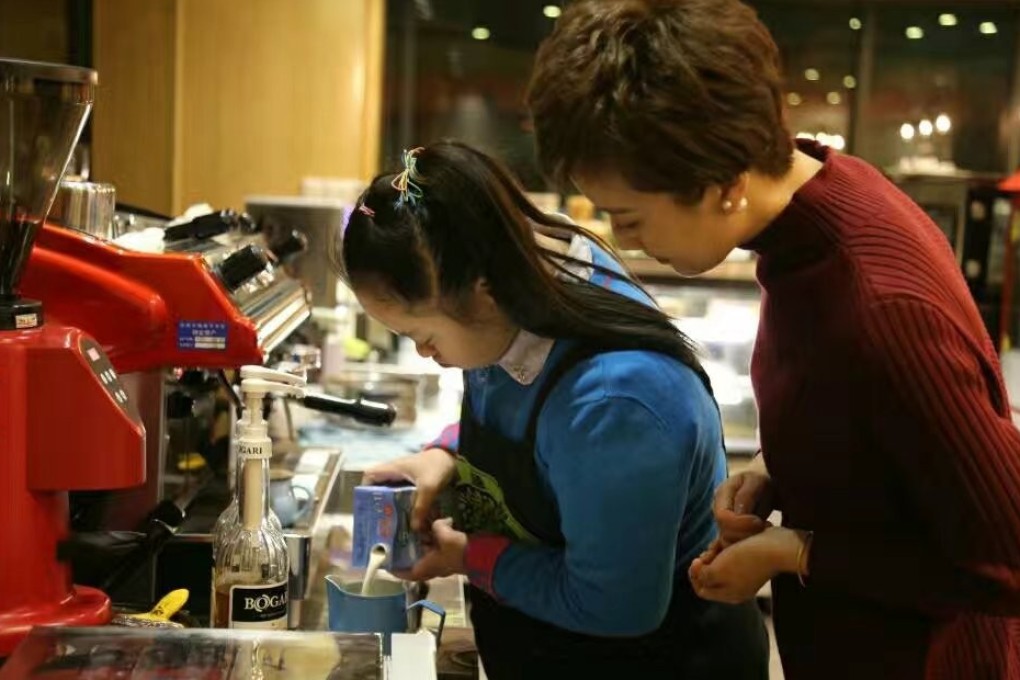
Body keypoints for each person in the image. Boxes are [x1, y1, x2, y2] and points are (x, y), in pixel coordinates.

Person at [526, 0, 1020, 678]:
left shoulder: (879, 306)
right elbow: (874, 428)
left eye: (631, 218)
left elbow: (1006, 561)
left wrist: (798, 550)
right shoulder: (814, 201)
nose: (625, 240)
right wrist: (772, 467)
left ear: (725, 185)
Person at [332, 141, 769, 678]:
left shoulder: (617, 403)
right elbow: (529, 430)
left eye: (424, 335)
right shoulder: (513, 287)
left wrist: (467, 555)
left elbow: (615, 604)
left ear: (484, 293)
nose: (426, 353)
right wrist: (442, 456)